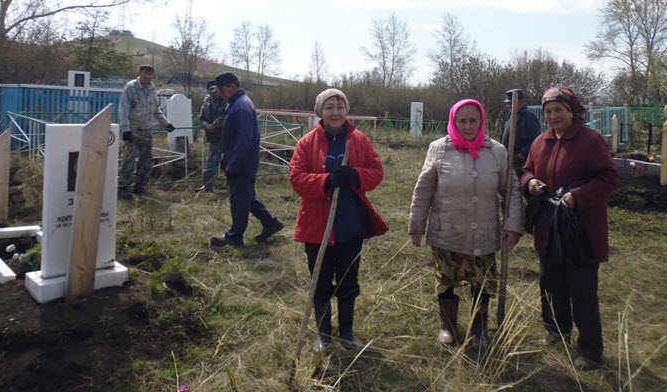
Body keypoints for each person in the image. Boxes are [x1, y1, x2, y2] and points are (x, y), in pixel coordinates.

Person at [409, 99, 523, 350]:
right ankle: (447, 326)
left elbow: (512, 190)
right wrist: (416, 225)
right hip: (446, 230)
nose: (468, 126)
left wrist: (513, 224)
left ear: (482, 122)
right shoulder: (439, 149)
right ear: (453, 121)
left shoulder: (496, 151)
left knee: (482, 281)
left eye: (473, 121)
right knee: (446, 279)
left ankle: (478, 329)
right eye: (462, 121)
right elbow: (423, 190)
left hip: (484, 232)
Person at [520, 86, 619, 371]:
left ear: (572, 111)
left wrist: (579, 196)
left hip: (580, 231)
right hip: (549, 228)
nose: (553, 116)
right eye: (549, 111)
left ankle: (590, 350)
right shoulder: (541, 142)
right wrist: (530, 182)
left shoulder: (591, 141)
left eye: (559, 110)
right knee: (551, 284)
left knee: (582, 290)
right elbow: (527, 170)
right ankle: (556, 332)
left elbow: (609, 178)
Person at [289, 88, 387, 352]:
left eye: (340, 107)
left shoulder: (359, 140)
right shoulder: (307, 143)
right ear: (320, 112)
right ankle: (323, 334)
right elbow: (297, 178)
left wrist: (356, 175)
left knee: (348, 281)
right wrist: (326, 181)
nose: (335, 113)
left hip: (349, 225)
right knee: (320, 282)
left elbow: (376, 172)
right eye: (329, 107)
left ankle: (346, 332)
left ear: (346, 111)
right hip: (317, 227)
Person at [209, 72, 284, 247]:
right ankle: (270, 223)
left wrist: (233, 165)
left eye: (222, 89)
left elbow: (244, 139)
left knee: (238, 199)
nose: (220, 93)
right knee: (246, 196)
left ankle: (235, 235)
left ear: (232, 86)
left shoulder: (241, 106)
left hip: (242, 163)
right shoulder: (237, 103)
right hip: (241, 161)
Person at [118, 65, 174, 199]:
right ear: (140, 73)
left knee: (146, 159)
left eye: (150, 74)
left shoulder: (152, 88)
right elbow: (124, 109)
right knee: (129, 159)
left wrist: (166, 124)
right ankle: (123, 188)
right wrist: (125, 129)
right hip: (132, 128)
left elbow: (155, 109)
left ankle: (140, 186)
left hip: (146, 129)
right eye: (145, 73)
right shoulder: (131, 87)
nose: (148, 76)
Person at [501, 88, 541, 174]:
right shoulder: (512, 116)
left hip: (521, 163)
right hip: (510, 160)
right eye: (508, 103)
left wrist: (522, 154)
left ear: (521, 102)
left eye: (511, 103)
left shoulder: (528, 117)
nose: (509, 106)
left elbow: (536, 140)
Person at [196, 80, 227, 192]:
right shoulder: (206, 102)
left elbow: (227, 115)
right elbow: (201, 119)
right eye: (211, 90)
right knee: (211, 163)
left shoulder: (226, 101)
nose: (214, 92)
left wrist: (215, 124)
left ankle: (233, 186)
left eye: (216, 90)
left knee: (229, 163)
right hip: (214, 138)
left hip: (227, 136)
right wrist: (206, 126)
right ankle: (207, 186)